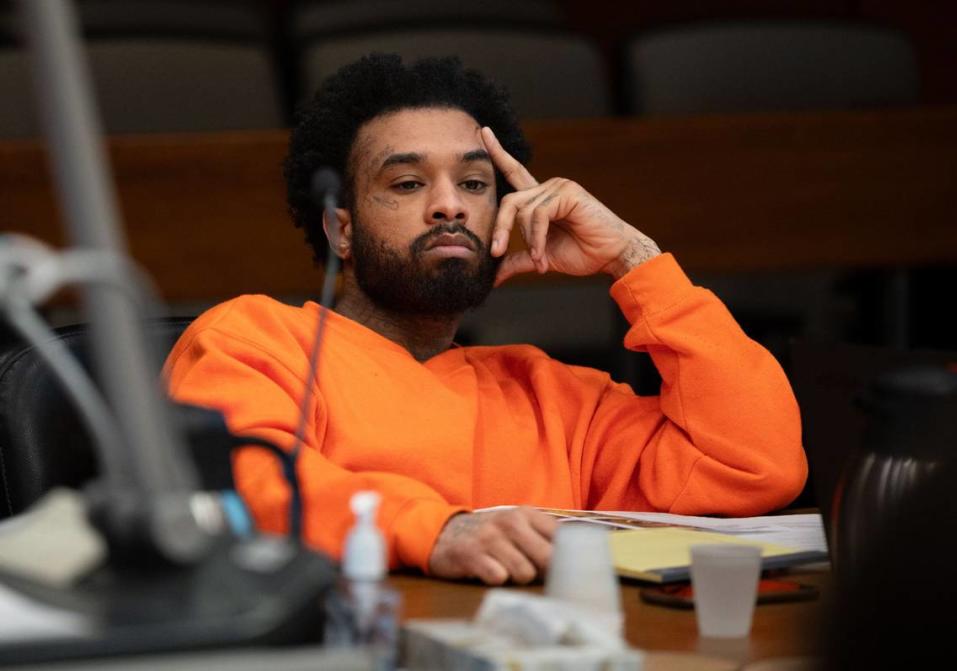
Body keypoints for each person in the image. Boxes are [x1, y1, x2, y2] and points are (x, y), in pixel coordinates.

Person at [165, 54, 806, 585]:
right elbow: (247, 485)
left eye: (474, 184)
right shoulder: (254, 339)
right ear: (342, 230)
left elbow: (757, 465)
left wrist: (634, 260)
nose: (450, 207)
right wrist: (438, 530)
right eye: (409, 184)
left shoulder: (551, 393)